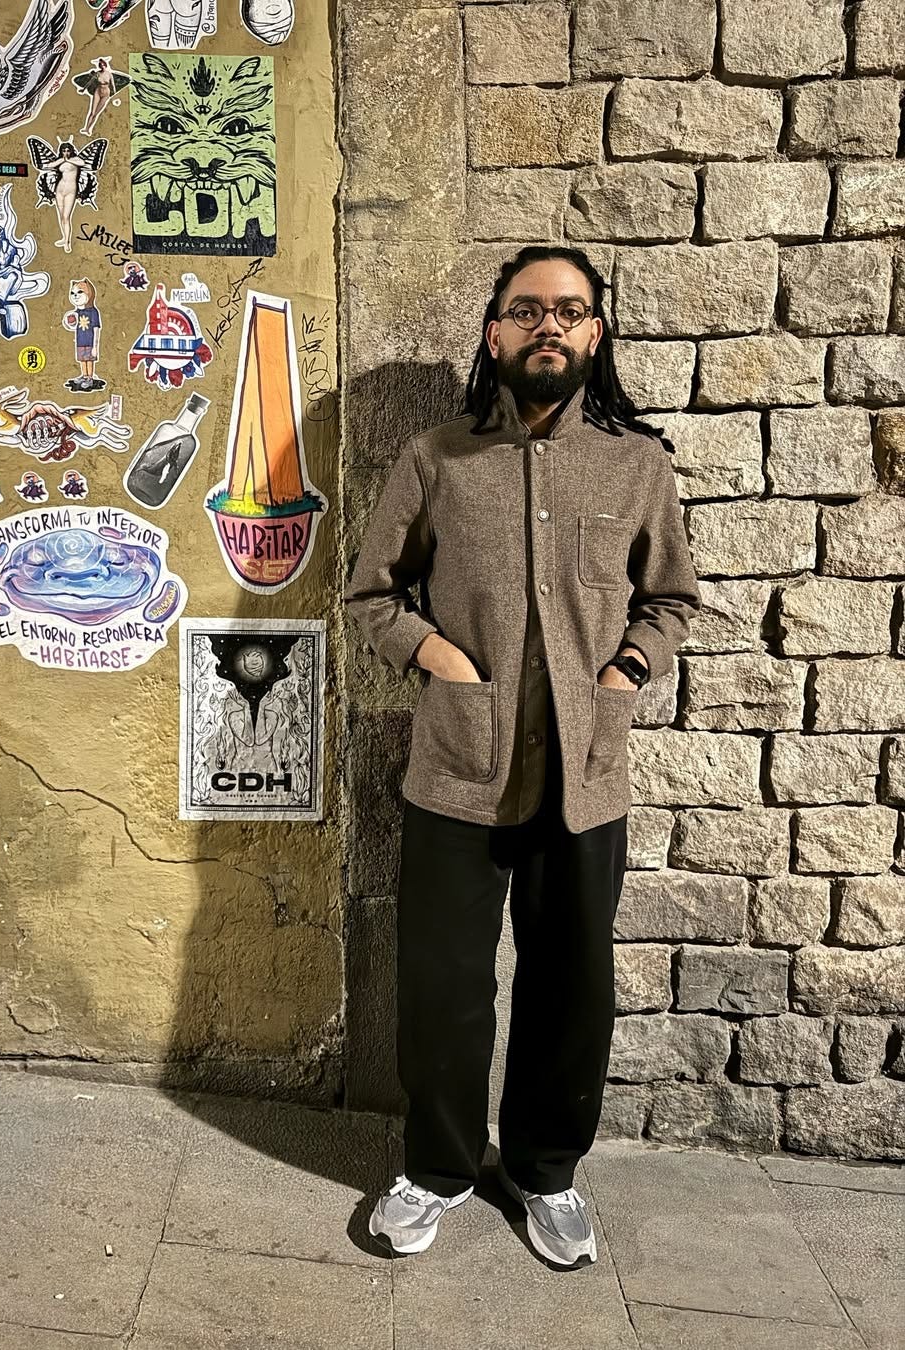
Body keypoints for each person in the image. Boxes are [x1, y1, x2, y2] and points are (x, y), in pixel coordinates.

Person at [343, 245, 702, 1265]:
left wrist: (626, 673)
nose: (550, 325)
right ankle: (438, 1169)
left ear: (597, 334)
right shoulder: (435, 459)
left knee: (571, 982)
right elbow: (372, 596)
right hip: (458, 770)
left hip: (585, 777)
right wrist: (441, 657)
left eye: (571, 311)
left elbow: (670, 598)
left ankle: (546, 1170)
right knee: (446, 984)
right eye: (527, 309)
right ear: (494, 332)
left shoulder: (638, 466)